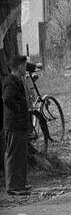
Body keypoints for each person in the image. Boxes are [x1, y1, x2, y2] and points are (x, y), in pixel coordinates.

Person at [1, 52, 30, 196]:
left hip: (20, 124)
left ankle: (20, 184)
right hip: (13, 124)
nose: (26, 68)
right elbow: (7, 99)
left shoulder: (17, 80)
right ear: (18, 67)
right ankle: (12, 186)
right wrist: (18, 109)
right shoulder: (10, 81)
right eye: (24, 65)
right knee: (13, 155)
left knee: (20, 155)